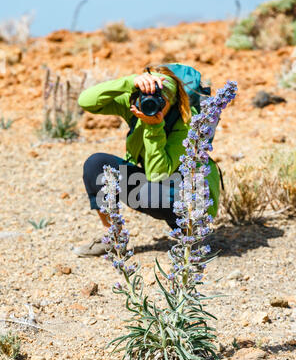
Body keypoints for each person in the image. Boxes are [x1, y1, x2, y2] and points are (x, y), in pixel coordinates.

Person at [73, 64, 220, 257]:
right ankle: (113, 238)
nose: (152, 102)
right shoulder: (136, 103)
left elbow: (158, 174)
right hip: (159, 187)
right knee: (96, 165)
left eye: (160, 99)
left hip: (189, 195)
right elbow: (86, 101)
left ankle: (193, 234)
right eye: (146, 95)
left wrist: (154, 128)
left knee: (152, 191)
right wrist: (130, 81)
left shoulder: (188, 124)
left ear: (174, 100)